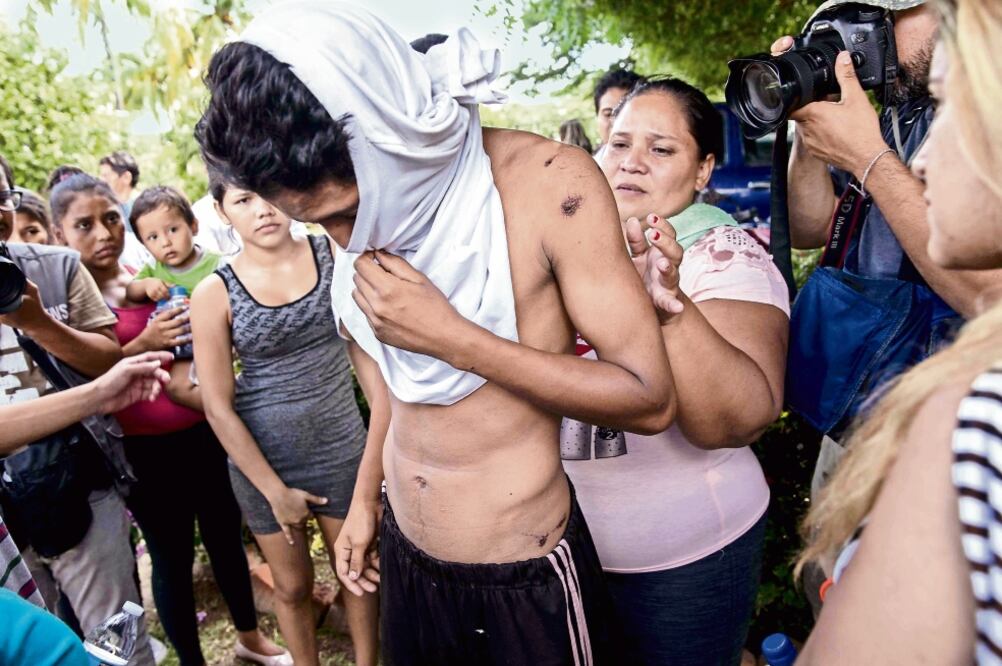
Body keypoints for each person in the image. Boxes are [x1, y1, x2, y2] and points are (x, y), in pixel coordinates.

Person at [195, 5, 675, 665]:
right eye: (320, 225)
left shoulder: (548, 186)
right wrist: (367, 506)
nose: (346, 242)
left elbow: (649, 397)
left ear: (391, 139)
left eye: (349, 214)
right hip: (407, 555)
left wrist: (456, 340)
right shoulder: (355, 210)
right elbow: (395, 394)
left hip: (520, 573)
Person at [795, 1, 1002, 660]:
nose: (861, 43)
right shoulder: (882, 104)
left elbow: (987, 296)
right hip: (859, 410)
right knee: (830, 578)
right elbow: (807, 227)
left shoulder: (974, 418)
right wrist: (807, 136)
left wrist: (870, 158)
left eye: (882, 19)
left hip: (929, 394)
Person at [560, 78, 789, 665]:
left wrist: (671, 307)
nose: (631, 163)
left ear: (704, 170)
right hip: (569, 555)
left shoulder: (726, 256)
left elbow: (734, 422)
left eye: (661, 150)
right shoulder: (570, 245)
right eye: (618, 143)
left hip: (684, 564)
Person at [52, 173, 290, 666]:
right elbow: (86, 377)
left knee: (226, 538)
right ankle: (192, 660)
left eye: (111, 219)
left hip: (205, 432)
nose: (103, 233)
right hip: (144, 451)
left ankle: (250, 638)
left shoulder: (143, 277)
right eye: (84, 225)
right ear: (60, 234)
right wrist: (146, 342)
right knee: (171, 557)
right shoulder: (64, 297)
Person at [190, 174, 388, 666]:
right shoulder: (215, 291)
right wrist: (275, 491)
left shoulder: (334, 258)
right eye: (243, 199)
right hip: (264, 466)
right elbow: (217, 404)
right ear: (222, 212)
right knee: (294, 586)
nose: (263, 209)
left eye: (269, 192)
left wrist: (374, 471)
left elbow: (372, 373)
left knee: (358, 571)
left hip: (343, 450)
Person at [0, 155, 156, 665]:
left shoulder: (54, 265)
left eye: (0, 197)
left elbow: (106, 356)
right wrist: (99, 393)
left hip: (78, 480)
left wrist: (37, 321)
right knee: (32, 640)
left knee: (116, 638)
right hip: (7, 514)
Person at [127, 186, 223, 410]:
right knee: (177, 388)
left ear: (194, 226)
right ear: (144, 244)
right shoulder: (153, 269)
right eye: (153, 237)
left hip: (219, 341)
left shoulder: (218, 264)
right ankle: (231, 412)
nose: (165, 242)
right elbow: (130, 291)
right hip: (184, 347)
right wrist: (147, 285)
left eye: (172, 230)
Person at [593, 67, 645, 153]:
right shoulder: (584, 165)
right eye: (608, 114)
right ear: (597, 116)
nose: (617, 123)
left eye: (626, 114)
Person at [98, 151, 141, 219]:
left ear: (126, 177)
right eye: (101, 176)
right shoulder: (109, 207)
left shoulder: (144, 207)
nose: (101, 180)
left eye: (106, 176)